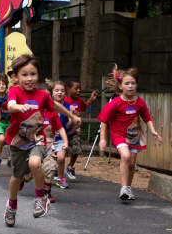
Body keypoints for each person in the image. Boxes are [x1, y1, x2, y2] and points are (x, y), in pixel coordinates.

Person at [4, 55, 71, 226]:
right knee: (17, 177)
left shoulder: (41, 95)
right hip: (18, 140)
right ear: (16, 77)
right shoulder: (14, 91)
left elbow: (55, 106)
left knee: (35, 164)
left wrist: (71, 116)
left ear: (38, 75)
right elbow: (11, 105)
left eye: (33, 74)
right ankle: (11, 205)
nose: (29, 78)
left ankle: (40, 197)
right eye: (24, 75)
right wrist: (19, 107)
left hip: (37, 138)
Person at [98, 65, 163, 200]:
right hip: (119, 135)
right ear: (121, 86)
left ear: (136, 85)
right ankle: (123, 189)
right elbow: (104, 122)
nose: (130, 86)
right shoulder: (115, 103)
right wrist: (102, 139)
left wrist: (153, 131)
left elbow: (147, 118)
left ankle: (128, 188)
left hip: (134, 136)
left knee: (132, 163)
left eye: (133, 83)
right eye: (127, 83)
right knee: (126, 156)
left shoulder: (139, 102)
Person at [22, 82, 68, 203]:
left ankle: (46, 190)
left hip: (48, 145)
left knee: (50, 167)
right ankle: (22, 178)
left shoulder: (53, 112)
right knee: (31, 170)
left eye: (47, 96)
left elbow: (61, 128)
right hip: (33, 145)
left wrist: (65, 141)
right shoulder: (31, 111)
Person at [63, 78, 99, 181]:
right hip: (63, 130)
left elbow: (83, 107)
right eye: (76, 88)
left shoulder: (78, 100)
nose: (79, 91)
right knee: (60, 151)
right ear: (68, 90)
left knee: (77, 148)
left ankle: (70, 167)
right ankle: (56, 169)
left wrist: (91, 99)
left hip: (74, 131)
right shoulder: (64, 100)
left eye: (79, 88)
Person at [51, 80, 74, 189]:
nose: (59, 93)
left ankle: (60, 178)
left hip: (60, 138)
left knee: (61, 157)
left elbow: (71, 122)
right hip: (48, 138)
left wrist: (72, 116)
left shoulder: (68, 107)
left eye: (62, 91)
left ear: (65, 93)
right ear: (52, 92)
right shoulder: (48, 105)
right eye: (56, 90)